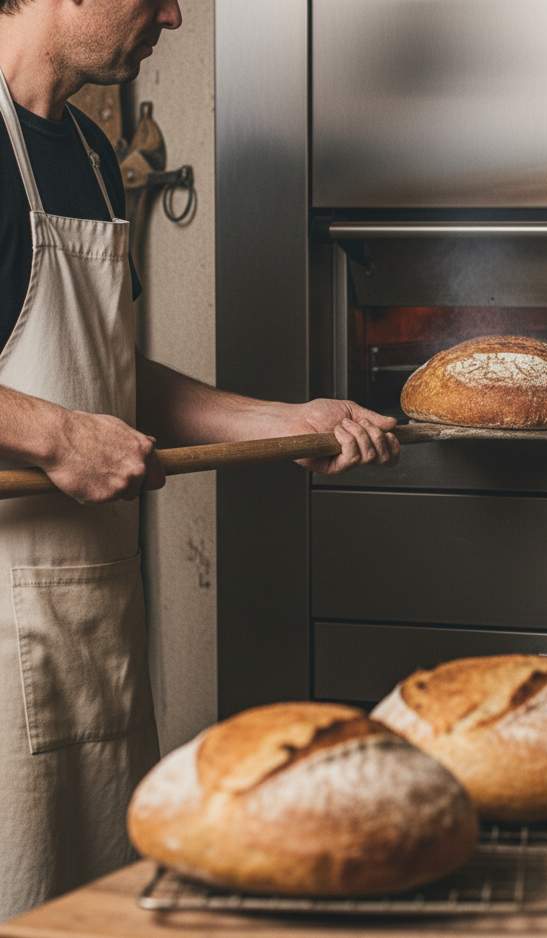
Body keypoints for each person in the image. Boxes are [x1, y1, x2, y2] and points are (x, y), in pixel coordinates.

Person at [0, 0, 399, 920]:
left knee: (100, 902)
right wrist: (58, 436)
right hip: (5, 622)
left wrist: (278, 420)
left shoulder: (93, 158)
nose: (175, 14)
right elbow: (72, 414)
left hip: (92, 618)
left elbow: (108, 371)